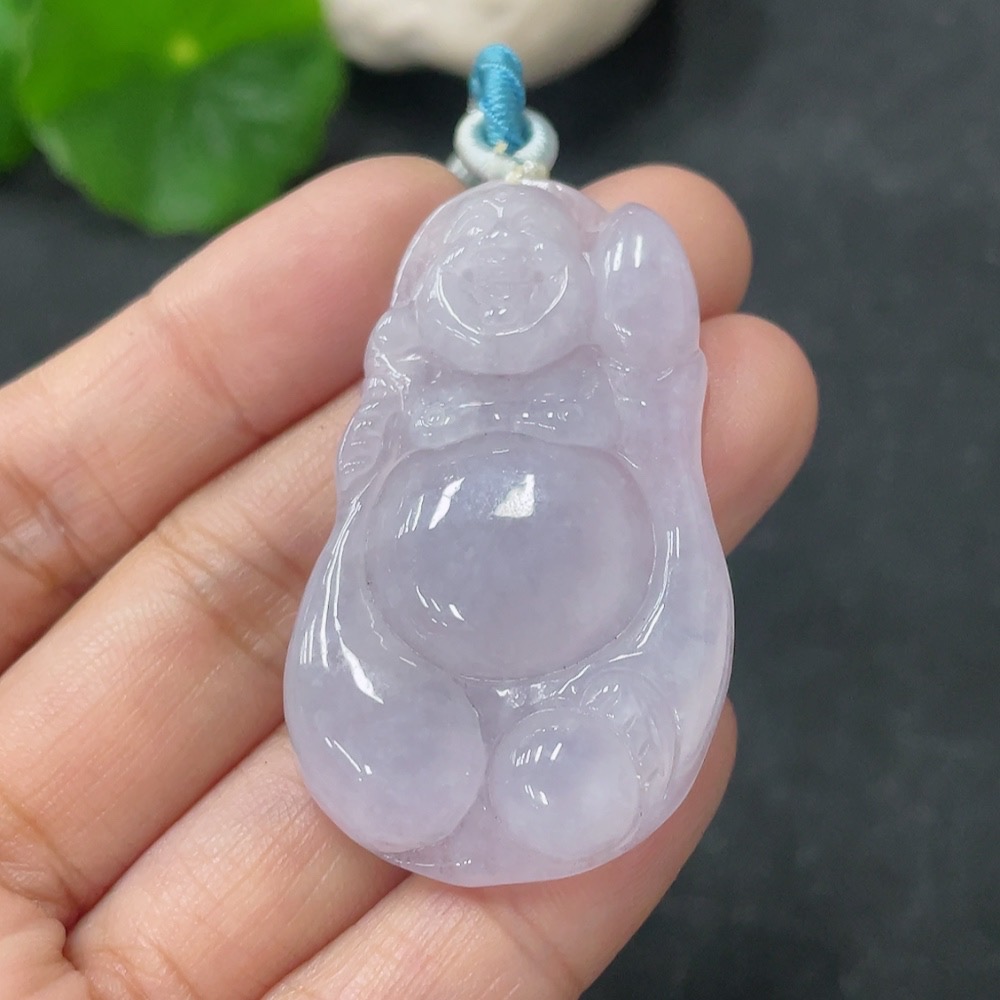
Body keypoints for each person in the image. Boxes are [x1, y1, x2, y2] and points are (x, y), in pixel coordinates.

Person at [0, 157, 817, 999]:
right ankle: (424, 759)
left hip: (598, 658)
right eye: (477, 252)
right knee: (404, 769)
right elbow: (364, 478)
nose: (501, 274)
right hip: (401, 651)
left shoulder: (613, 383)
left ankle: (590, 744)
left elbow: (659, 388)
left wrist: (644, 325)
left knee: (567, 779)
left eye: (528, 252)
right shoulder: (413, 390)